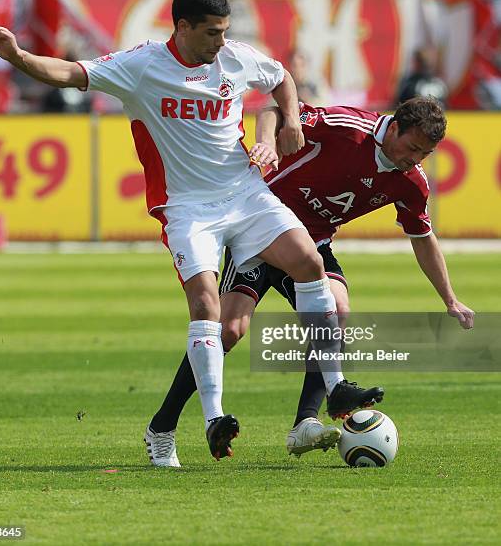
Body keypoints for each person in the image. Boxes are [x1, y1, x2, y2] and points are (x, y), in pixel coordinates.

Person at [0, 0, 372, 464]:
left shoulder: (234, 58)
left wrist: (289, 119)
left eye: (225, 32)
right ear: (182, 28)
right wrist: (17, 55)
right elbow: (68, 73)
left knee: (310, 264)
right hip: (186, 207)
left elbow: (280, 76)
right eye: (211, 34)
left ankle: (336, 388)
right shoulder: (141, 66)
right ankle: (213, 420)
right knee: (208, 307)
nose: (220, 43)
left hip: (246, 194)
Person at [148, 96, 474, 466]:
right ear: (394, 127)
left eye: (425, 154)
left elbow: (422, 237)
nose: (415, 159)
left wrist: (449, 298)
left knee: (337, 308)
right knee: (230, 330)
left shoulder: (411, 183)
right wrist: (268, 145)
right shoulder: (347, 129)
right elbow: (273, 110)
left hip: (311, 245)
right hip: (259, 229)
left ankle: (306, 420)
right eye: (413, 148)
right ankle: (162, 427)